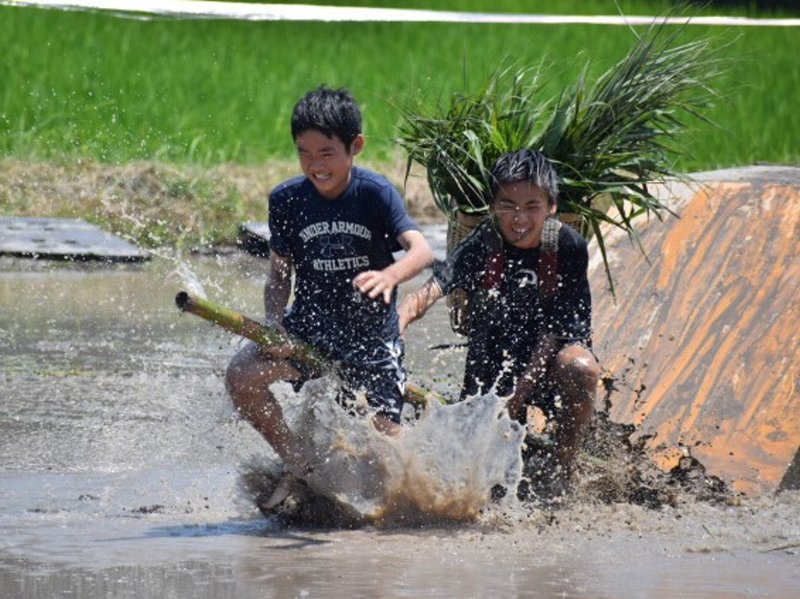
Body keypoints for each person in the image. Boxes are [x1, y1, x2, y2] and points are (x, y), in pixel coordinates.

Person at [225, 86, 434, 485]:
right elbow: (279, 275)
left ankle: (434, 484)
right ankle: (301, 464)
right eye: (304, 153)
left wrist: (390, 275)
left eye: (326, 154)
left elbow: (422, 252)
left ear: (355, 146)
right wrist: (274, 320)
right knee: (241, 375)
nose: (315, 165)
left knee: (387, 463)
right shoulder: (287, 199)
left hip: (370, 339)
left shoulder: (375, 194)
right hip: (311, 329)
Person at [398, 149, 599, 495]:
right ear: (493, 205)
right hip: (493, 363)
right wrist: (396, 326)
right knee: (471, 478)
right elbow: (435, 287)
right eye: (508, 205)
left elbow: (555, 332)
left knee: (581, 368)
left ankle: (563, 473)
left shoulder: (566, 246)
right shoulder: (484, 243)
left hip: (548, 364)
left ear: (551, 206)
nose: (518, 218)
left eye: (531, 206)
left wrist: (519, 394)